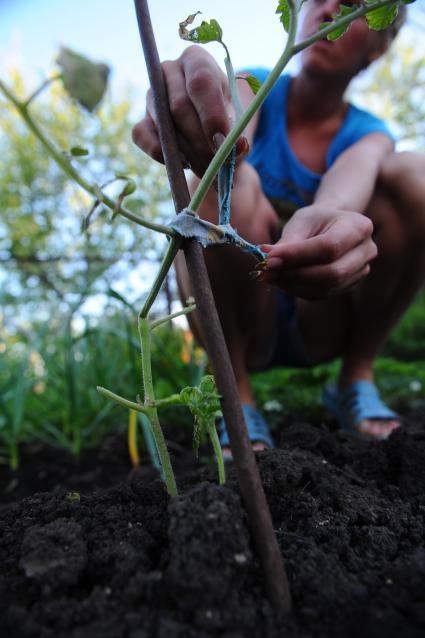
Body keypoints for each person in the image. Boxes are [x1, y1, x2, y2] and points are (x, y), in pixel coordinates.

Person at [133, 1, 425, 450]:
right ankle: (237, 395)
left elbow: (355, 174)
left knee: (415, 176)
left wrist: (329, 215)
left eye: (357, 6)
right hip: (243, 316)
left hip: (324, 317)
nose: (332, 9)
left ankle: (356, 376)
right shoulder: (256, 84)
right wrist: (202, 104)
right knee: (221, 172)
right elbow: (233, 108)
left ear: (378, 49)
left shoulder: (369, 132)